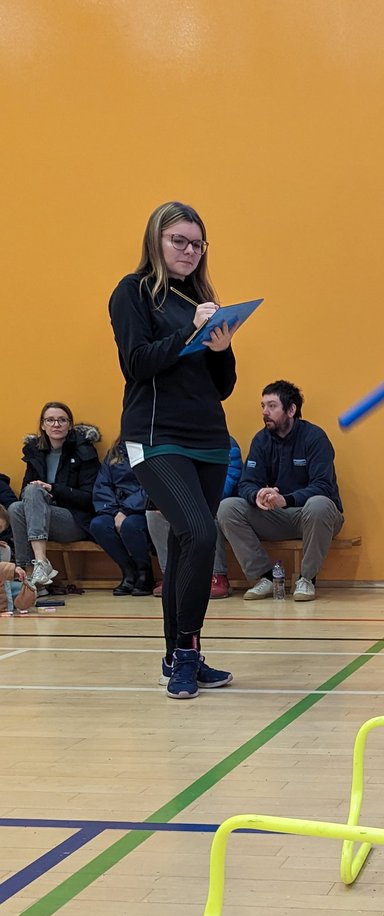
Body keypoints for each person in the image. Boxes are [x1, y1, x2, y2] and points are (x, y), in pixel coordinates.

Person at [108, 200, 237, 699]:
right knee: (201, 533)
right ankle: (185, 654)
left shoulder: (201, 300)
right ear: (156, 242)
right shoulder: (133, 292)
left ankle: (182, 653)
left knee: (188, 546)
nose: (189, 250)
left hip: (208, 437)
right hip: (154, 435)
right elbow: (136, 363)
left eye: (197, 243)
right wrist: (190, 331)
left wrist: (221, 348)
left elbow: (221, 386)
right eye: (178, 241)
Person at [218, 381, 344, 601]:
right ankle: (264, 578)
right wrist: (256, 495)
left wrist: (285, 499)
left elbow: (323, 486)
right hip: (277, 516)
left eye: (272, 406)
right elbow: (246, 483)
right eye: (263, 406)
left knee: (319, 503)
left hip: (314, 516)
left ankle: (307, 579)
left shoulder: (315, 438)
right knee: (228, 507)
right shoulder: (261, 440)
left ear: (291, 410)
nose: (265, 412)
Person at [7, 403, 101, 585]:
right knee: (16, 507)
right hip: (40, 520)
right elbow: (25, 499)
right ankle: (30, 577)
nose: (56, 424)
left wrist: (53, 489)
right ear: (42, 425)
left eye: (62, 420)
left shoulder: (84, 451)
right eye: (50, 420)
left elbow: (89, 500)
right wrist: (41, 497)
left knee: (35, 490)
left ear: (70, 425)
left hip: (74, 520)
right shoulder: (35, 452)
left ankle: (40, 563)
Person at [146, 434, 243, 599]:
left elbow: (226, 483)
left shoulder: (225, 443)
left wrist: (186, 501)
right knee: (153, 513)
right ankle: (169, 574)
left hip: (210, 500)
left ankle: (217, 575)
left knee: (211, 510)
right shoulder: (174, 443)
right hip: (183, 501)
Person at [89, 442, 154, 596]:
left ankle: (145, 573)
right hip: (115, 508)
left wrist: (126, 510)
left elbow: (153, 485)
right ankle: (128, 571)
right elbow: (102, 485)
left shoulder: (153, 450)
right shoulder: (114, 454)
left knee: (130, 525)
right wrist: (112, 511)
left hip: (143, 509)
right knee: (98, 525)